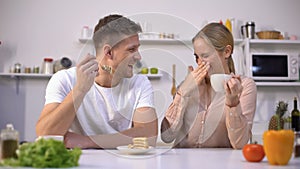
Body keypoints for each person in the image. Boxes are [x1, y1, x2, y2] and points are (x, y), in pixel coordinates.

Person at [36, 14, 158, 149]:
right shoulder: (64, 79)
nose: (138, 56)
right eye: (131, 49)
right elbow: (45, 134)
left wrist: (87, 141)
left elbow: (149, 135)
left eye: (137, 48)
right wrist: (80, 90)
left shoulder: (140, 83)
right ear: (109, 52)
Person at [160, 22, 257, 149]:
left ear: (227, 52)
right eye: (196, 57)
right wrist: (182, 93)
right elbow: (167, 137)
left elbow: (240, 144)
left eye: (205, 56)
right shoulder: (189, 84)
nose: (200, 63)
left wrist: (233, 104)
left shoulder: (245, 86)